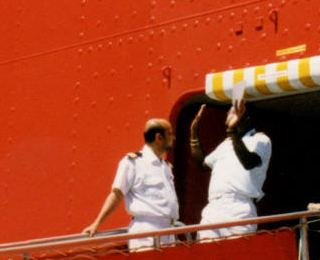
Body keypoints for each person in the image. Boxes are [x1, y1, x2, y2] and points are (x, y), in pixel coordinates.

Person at [82, 118, 178, 250]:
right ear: (159, 138)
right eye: (170, 134)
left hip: (168, 231)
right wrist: (97, 224)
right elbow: (116, 194)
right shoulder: (133, 163)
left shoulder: (165, 167)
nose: (173, 138)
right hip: (146, 232)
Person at [190, 100, 271, 240]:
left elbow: (249, 162)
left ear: (247, 118)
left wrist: (233, 133)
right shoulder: (226, 144)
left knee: (236, 252)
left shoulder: (260, 139)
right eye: (229, 113)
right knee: (206, 252)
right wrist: (193, 133)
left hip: (239, 208)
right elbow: (202, 164)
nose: (229, 116)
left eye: (235, 112)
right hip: (214, 207)